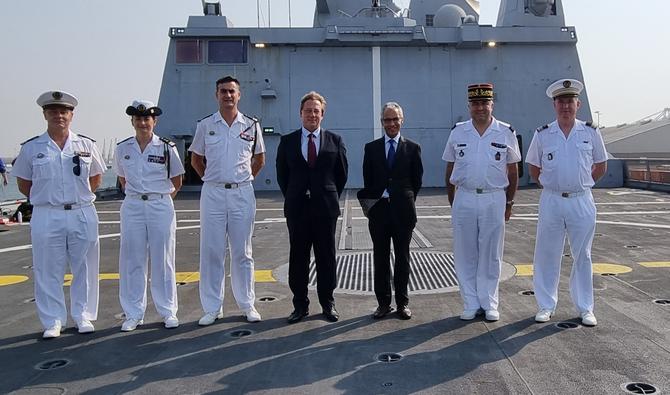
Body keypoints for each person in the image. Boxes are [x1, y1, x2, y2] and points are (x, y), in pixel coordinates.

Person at [12, 90, 106, 338]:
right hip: (47, 213)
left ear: (71, 115)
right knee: (47, 268)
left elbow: (96, 177)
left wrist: (78, 197)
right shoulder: (32, 148)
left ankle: (83, 314)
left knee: (84, 266)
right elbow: (24, 183)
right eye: (53, 111)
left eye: (64, 111)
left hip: (81, 211)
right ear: (45, 114)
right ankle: (53, 321)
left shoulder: (86, 145)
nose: (59, 115)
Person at [526, 78, 607, 327]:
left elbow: (601, 166)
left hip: (581, 200)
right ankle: (545, 305)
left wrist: (580, 184)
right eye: (561, 102)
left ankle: (585, 308)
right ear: (554, 105)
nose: (565, 106)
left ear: (578, 104)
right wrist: (552, 185)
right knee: (547, 253)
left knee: (582, 255)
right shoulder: (542, 134)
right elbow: (533, 167)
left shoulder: (591, 132)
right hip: (552, 200)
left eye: (570, 101)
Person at [189, 76, 265, 325]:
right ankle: (212, 307)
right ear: (216, 95)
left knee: (243, 251)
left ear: (239, 95)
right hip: (213, 193)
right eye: (223, 91)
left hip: (242, 192)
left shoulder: (252, 125)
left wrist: (243, 180)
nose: (228, 96)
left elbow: (259, 158)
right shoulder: (205, 125)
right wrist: (211, 179)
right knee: (212, 251)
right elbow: (196, 159)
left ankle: (247, 304)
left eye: (232, 91)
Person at [442, 83, 521, 322]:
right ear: (469, 106)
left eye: (484, 103)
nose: (480, 108)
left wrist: (509, 203)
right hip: (464, 196)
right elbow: (449, 168)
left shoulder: (505, 132)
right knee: (465, 253)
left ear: (491, 104)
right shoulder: (458, 132)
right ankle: (470, 302)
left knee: (491, 253)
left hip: (493, 198)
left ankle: (489, 303)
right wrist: (453, 201)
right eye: (475, 104)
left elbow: (513, 170)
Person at [276, 91, 348, 324]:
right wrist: (296, 194)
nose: (312, 114)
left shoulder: (335, 141)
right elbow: (282, 175)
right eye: (308, 110)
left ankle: (328, 303)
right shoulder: (287, 141)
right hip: (297, 209)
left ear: (322, 115)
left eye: (316, 111)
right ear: (300, 113)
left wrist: (325, 193)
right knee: (298, 258)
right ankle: (300, 305)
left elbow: (341, 175)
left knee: (326, 257)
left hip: (325, 209)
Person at [113, 100, 185, 331]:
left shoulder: (166, 147)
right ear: (132, 121)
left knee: (163, 259)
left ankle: (168, 311)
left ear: (154, 121)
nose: (142, 123)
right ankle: (133, 313)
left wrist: (161, 200)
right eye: (138, 119)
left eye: (147, 119)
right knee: (132, 259)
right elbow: (122, 179)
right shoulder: (122, 148)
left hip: (160, 204)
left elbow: (177, 181)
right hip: (133, 206)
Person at [358, 102, 423, 320]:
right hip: (379, 213)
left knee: (402, 258)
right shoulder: (371, 148)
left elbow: (416, 181)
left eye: (395, 119)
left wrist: (403, 198)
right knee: (380, 258)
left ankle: (403, 303)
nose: (392, 123)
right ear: (382, 122)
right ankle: (383, 304)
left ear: (402, 120)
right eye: (387, 119)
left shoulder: (413, 148)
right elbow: (368, 180)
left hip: (403, 212)